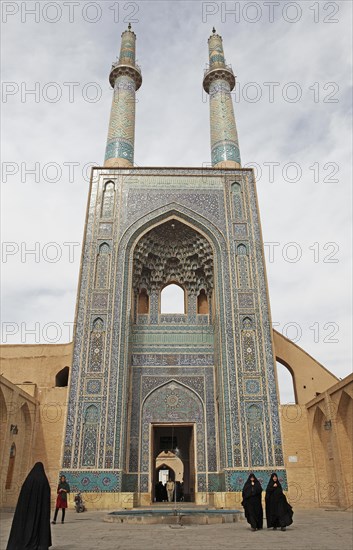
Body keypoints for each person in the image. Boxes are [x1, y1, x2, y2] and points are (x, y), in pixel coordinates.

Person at [6, 461, 52, 550]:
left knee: (25, 526)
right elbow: (46, 501)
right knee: (38, 525)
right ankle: (38, 543)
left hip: (27, 513)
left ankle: (22, 542)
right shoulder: (44, 481)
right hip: (39, 514)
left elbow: (22, 499)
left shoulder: (28, 480)